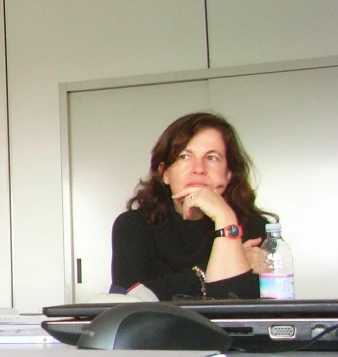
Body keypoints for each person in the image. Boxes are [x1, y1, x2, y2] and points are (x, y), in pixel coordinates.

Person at [110, 112, 276, 301]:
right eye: (184, 156)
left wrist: (224, 217)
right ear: (165, 173)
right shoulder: (133, 225)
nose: (199, 168)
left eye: (212, 158)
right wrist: (214, 270)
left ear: (228, 174)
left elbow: (241, 308)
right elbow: (131, 299)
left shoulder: (257, 228)